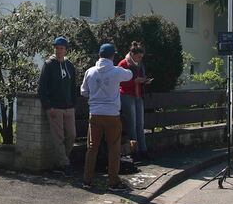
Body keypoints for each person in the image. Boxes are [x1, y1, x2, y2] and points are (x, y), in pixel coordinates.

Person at [81, 43, 133, 191]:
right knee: (114, 148)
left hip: (95, 113)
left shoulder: (90, 71)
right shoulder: (117, 71)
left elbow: (83, 91)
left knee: (92, 148)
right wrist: (127, 61)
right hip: (112, 115)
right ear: (112, 56)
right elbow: (130, 75)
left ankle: (87, 180)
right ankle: (113, 182)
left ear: (99, 55)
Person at [38, 36, 79, 175]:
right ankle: (64, 163)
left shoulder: (69, 65)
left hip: (69, 107)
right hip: (55, 107)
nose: (59, 51)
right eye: (56, 48)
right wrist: (48, 106)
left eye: (61, 48)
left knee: (72, 135)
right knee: (59, 137)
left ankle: (62, 160)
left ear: (66, 50)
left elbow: (73, 86)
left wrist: (73, 104)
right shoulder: (49, 64)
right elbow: (42, 87)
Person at [118, 42, 152, 162]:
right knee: (131, 125)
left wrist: (144, 81)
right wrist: (135, 81)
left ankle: (143, 150)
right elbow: (120, 82)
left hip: (138, 95)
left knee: (140, 124)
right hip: (127, 95)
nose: (140, 59)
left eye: (141, 57)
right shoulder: (123, 64)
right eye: (139, 56)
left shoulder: (140, 64)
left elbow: (140, 78)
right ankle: (135, 151)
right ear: (132, 54)